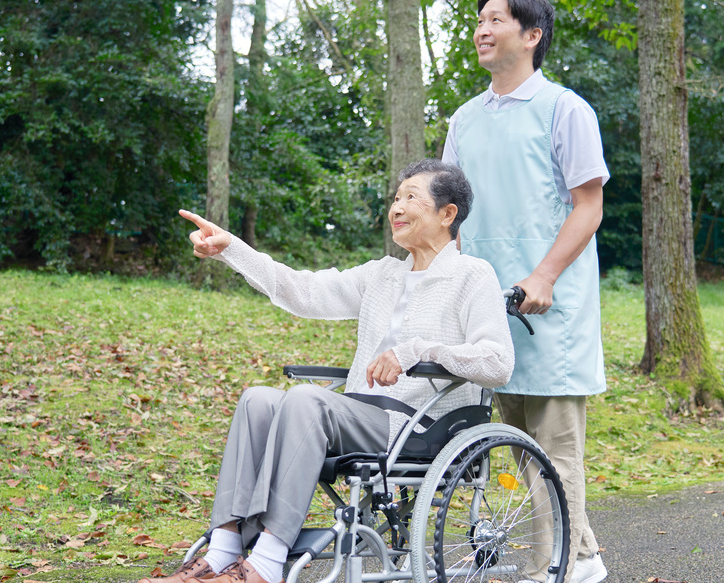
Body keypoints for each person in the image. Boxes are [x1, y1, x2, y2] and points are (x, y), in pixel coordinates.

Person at [139, 159, 514, 583]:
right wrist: (233, 250)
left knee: (305, 399)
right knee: (257, 399)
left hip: (420, 423)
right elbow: (303, 291)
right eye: (395, 197)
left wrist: (415, 350)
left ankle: (265, 563)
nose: (397, 206)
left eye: (412, 197)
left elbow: (497, 362)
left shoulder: (472, 276)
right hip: (360, 414)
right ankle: (223, 551)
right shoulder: (383, 274)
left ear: (447, 214)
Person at [441, 0, 610, 583]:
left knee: (555, 446)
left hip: (549, 305)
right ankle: (581, 557)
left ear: (532, 36)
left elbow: (587, 206)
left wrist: (544, 275)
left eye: (497, 19)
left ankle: (557, 566)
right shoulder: (464, 119)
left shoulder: (565, 109)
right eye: (480, 19)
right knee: (507, 444)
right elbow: (449, 214)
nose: (483, 29)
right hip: (489, 306)